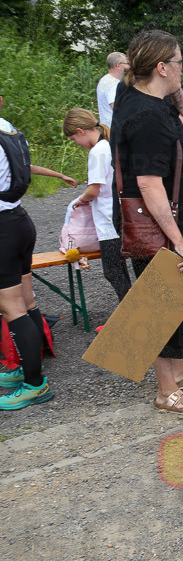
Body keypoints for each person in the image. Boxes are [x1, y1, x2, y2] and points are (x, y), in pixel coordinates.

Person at [110, 30, 183, 413]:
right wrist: (179, 241)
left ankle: (180, 371)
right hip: (168, 221)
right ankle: (166, 389)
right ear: (161, 66)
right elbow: (149, 183)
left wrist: (176, 90)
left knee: (177, 300)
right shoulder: (146, 115)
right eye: (180, 62)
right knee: (159, 302)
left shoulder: (148, 100)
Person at [0, 94, 76, 410]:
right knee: (27, 302)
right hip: (19, 220)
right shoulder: (8, 129)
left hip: (3, 229)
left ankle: (35, 384)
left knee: (11, 308)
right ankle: (28, 370)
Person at [62, 108, 132, 308]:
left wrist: (78, 200)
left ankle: (127, 312)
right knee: (119, 269)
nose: (76, 143)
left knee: (112, 271)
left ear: (80, 131)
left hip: (108, 220)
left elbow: (93, 190)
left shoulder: (97, 151)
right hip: (117, 213)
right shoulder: (108, 145)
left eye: (74, 138)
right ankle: (128, 309)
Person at [96, 52, 128, 128]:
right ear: (118, 65)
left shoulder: (105, 80)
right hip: (114, 130)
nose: (129, 66)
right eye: (127, 63)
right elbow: (117, 108)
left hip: (107, 129)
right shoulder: (113, 84)